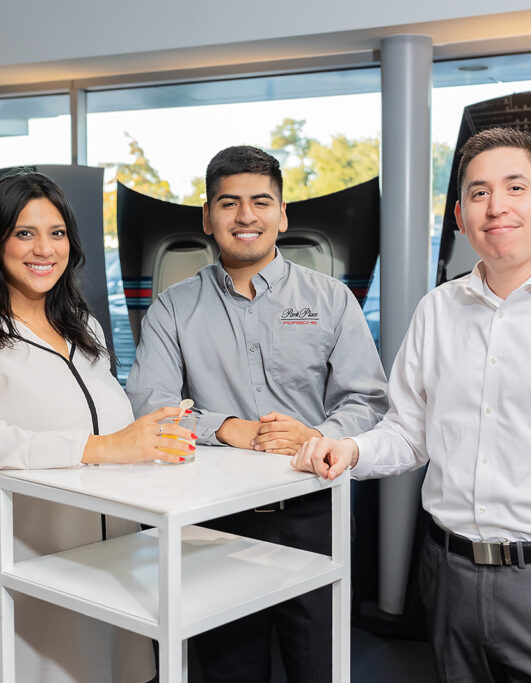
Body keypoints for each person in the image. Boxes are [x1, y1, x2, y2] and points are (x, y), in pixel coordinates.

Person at [292, 127, 531, 682]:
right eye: (478, 193)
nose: (496, 207)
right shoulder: (436, 311)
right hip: (448, 576)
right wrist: (348, 449)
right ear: (459, 216)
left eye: (515, 187)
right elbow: (408, 432)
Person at [126, 145, 388, 683]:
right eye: (229, 203)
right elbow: (149, 408)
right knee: (230, 671)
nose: (246, 216)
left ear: (282, 213)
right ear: (208, 216)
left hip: (316, 514)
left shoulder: (332, 300)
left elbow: (367, 401)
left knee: (320, 667)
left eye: (260, 201)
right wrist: (227, 429)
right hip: (213, 524)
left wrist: (316, 436)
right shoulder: (173, 308)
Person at [0, 168, 193, 682]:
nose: (43, 248)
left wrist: (149, 433)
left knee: (118, 668)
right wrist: (104, 447)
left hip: (114, 547)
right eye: (24, 233)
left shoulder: (83, 326)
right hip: (20, 545)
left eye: (57, 232)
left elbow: (99, 418)